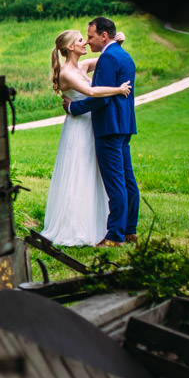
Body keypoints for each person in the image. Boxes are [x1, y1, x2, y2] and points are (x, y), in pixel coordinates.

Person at [41, 28, 132, 246]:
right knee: (79, 173)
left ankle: (101, 224)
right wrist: (118, 90)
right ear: (71, 47)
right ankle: (75, 226)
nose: (85, 43)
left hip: (91, 126)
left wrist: (115, 41)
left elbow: (105, 58)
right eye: (81, 40)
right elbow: (91, 92)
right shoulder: (67, 74)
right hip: (78, 129)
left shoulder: (82, 66)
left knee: (95, 174)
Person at [66, 16, 138, 247]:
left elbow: (99, 98)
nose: (88, 42)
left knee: (115, 182)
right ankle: (130, 230)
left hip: (108, 127)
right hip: (124, 125)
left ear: (103, 36)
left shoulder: (108, 58)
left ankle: (114, 236)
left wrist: (74, 107)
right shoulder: (123, 55)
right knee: (127, 179)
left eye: (91, 36)